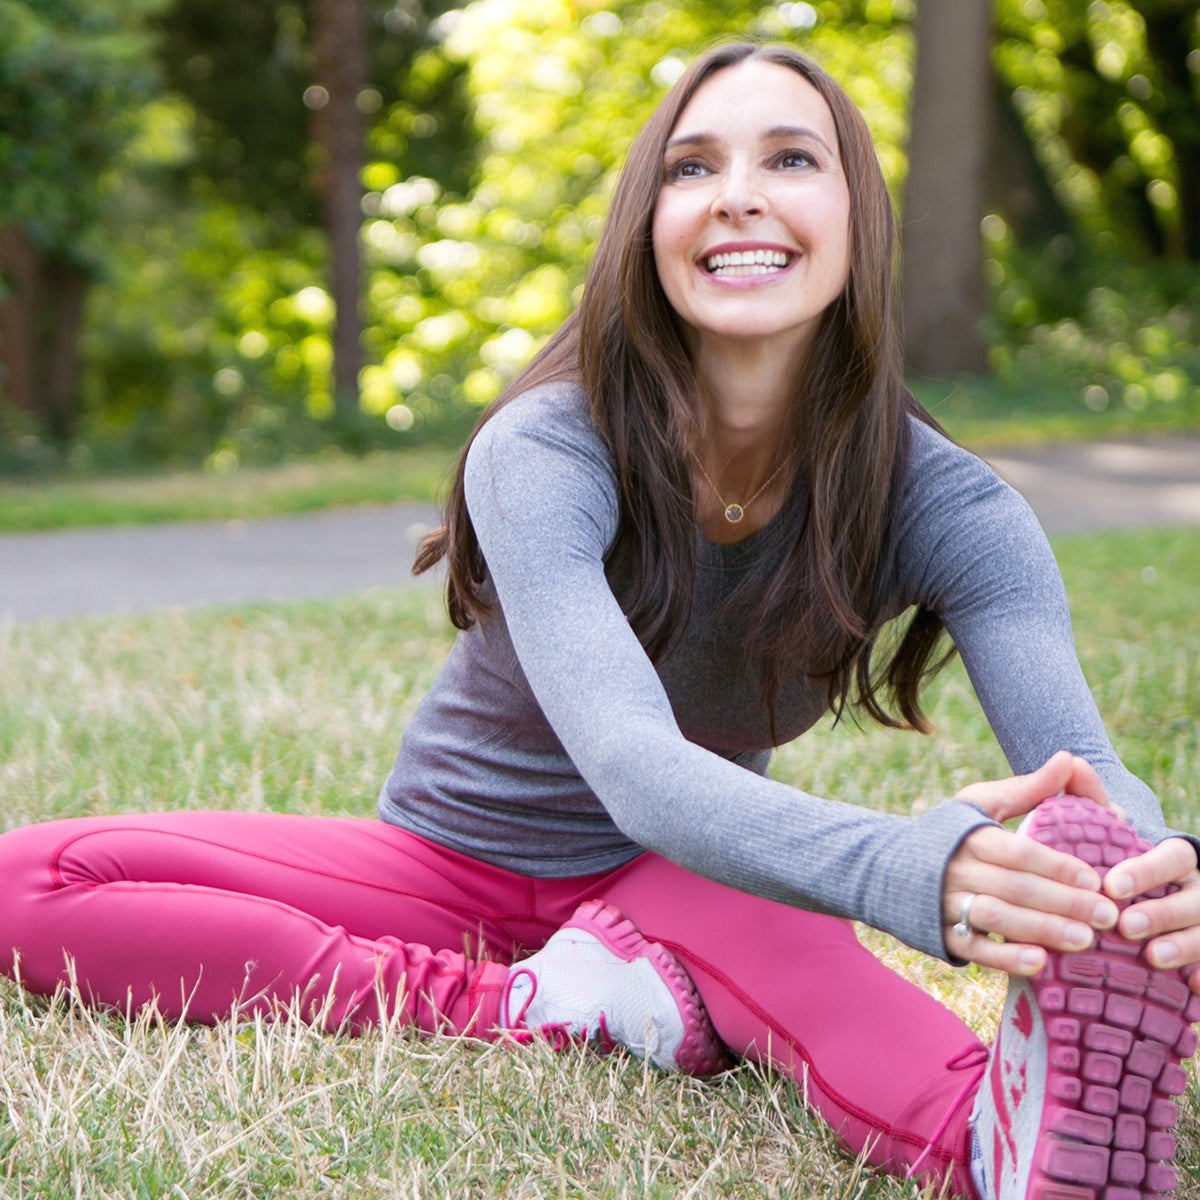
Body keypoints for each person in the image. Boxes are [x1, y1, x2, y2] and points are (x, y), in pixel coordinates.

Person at [0, 38, 1197, 1200]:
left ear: (859, 218)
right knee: (28, 881)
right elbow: (633, 761)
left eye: (791, 160)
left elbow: (1088, 772)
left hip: (690, 878)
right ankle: (545, 1005)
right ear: (648, 224)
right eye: (692, 167)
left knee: (854, 1000)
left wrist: (1150, 880)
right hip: (446, 868)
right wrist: (898, 864)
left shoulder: (952, 506)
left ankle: (1016, 1142)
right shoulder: (548, 446)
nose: (736, 197)